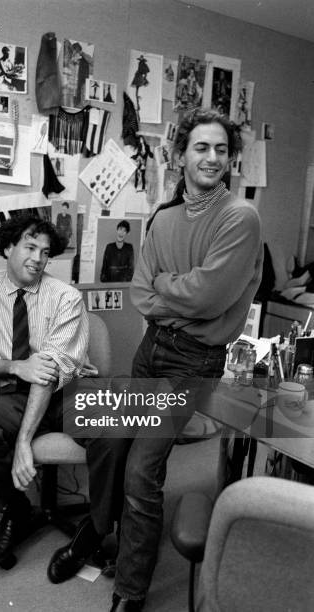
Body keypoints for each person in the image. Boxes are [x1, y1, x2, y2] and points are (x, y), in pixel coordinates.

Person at [109, 108, 263, 611]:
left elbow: (208, 299)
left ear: (231, 158)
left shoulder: (240, 218)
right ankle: (114, 543)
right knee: (114, 446)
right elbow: (140, 292)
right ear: (180, 155)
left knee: (141, 471)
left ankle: (130, 589)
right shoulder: (164, 217)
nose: (212, 157)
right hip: (150, 348)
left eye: (221, 149)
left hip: (192, 360)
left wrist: (168, 288)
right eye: (201, 147)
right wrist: (175, 292)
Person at [0, 214, 128, 579]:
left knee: (113, 431)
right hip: (15, 394)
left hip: (69, 389)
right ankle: (16, 510)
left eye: (45, 252)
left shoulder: (65, 297)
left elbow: (49, 372)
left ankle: (93, 531)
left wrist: (24, 442)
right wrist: (16, 367)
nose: (38, 258)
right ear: (7, 248)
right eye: (30, 247)